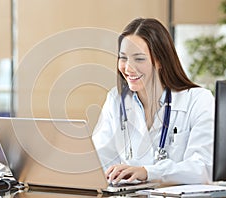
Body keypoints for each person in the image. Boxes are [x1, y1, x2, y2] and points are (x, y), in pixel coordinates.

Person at [92, 18, 214, 185]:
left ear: (160, 61)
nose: (128, 68)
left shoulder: (198, 100)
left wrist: (147, 172)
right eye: (123, 58)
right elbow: (98, 161)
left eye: (139, 59)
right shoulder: (116, 100)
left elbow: (203, 168)